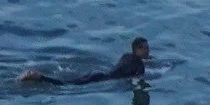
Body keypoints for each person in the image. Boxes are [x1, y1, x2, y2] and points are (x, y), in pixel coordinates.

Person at [21, 37, 150, 86]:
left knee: (71, 81)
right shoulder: (139, 64)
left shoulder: (127, 56)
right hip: (102, 79)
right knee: (67, 85)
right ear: (138, 49)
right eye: (146, 49)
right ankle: (39, 77)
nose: (148, 51)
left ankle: (39, 77)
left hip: (99, 73)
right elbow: (137, 79)